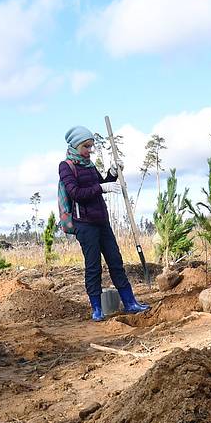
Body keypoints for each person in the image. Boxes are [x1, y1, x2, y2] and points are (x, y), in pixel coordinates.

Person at [58, 126, 150, 321]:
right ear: (75, 145)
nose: (90, 150)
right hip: (84, 224)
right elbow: (76, 193)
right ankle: (97, 309)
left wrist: (112, 173)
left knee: (116, 262)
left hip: (102, 221)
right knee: (93, 267)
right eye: (86, 146)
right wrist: (102, 187)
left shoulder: (89, 165)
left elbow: (102, 183)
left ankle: (130, 302)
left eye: (91, 146)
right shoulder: (66, 166)